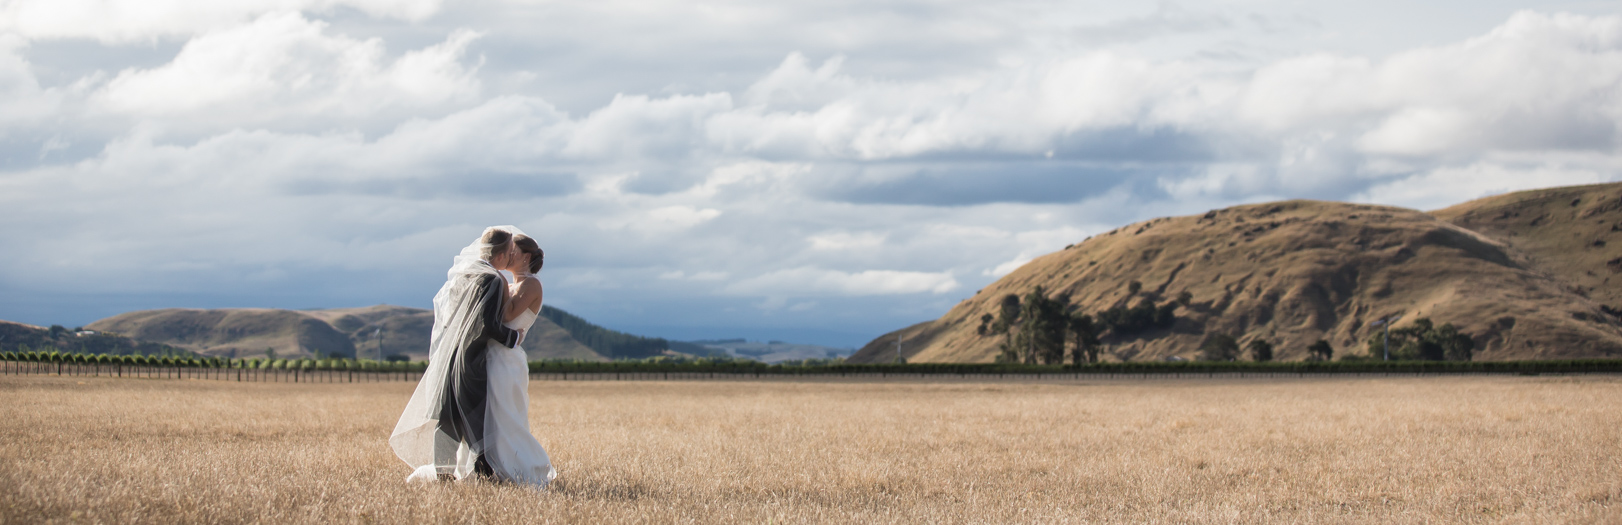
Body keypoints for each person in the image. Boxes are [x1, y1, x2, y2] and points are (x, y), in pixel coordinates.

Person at [390, 227, 527, 482]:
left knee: (448, 417)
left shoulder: (465, 274)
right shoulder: (493, 280)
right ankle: (485, 475)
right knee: (477, 420)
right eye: (508, 253)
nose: (510, 258)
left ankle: (443, 475)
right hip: (470, 360)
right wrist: (513, 338)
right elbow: (485, 323)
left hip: (448, 356)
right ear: (498, 255)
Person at [479, 232, 557, 487]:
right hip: (493, 355)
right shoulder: (509, 283)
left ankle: (521, 467)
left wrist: (497, 280)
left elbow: (508, 314)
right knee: (491, 415)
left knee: (508, 415)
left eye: (513, 252)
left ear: (525, 257)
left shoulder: (531, 284)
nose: (508, 255)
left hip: (508, 360)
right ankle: (493, 468)